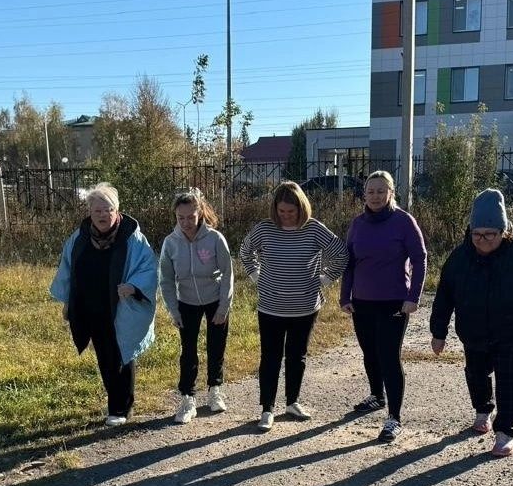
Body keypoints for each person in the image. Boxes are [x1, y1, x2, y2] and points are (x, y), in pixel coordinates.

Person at [429, 188, 513, 456]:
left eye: (490, 234)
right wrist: (438, 332)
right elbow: (444, 297)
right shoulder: (459, 258)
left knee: (508, 380)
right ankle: (483, 409)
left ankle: (505, 432)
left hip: (512, 334)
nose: (482, 240)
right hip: (473, 333)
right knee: (476, 374)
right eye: (477, 234)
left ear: (504, 231)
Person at [239, 181, 348, 432]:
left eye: (292, 211)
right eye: (282, 211)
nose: (286, 216)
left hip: (305, 307)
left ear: (302, 207)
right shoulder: (264, 229)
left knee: (297, 356)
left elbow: (341, 253)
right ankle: (267, 408)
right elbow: (246, 251)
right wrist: (256, 276)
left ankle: (292, 402)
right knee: (270, 357)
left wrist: (326, 278)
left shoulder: (314, 229)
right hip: (271, 307)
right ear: (275, 209)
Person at [50, 182, 158, 427]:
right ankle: (114, 402)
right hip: (92, 308)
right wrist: (68, 301)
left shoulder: (132, 238)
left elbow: (149, 268)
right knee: (104, 357)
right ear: (89, 211)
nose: (102, 215)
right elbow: (68, 269)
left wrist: (133, 286)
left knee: (122, 353)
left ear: (117, 211)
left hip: (121, 308)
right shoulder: (80, 238)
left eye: (107, 209)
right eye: (97, 210)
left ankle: (121, 407)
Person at [340, 170, 427, 443]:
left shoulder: (404, 222)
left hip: (394, 302)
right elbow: (349, 263)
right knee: (370, 353)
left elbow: (420, 259)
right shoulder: (357, 224)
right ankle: (376, 396)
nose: (375, 196)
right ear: (364, 195)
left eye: (381, 191)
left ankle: (394, 417)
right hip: (362, 301)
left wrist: (413, 296)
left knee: (389, 357)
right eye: (371, 191)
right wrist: (345, 297)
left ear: (391, 193)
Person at [158, 189, 234, 424]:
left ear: (200, 213)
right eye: (181, 218)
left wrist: (223, 308)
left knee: (215, 347)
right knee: (188, 350)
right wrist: (174, 310)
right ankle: (188, 397)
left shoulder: (214, 238)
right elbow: (166, 280)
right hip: (186, 302)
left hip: (214, 299)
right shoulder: (170, 243)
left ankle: (214, 390)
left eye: (190, 217)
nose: (186, 222)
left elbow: (228, 273)